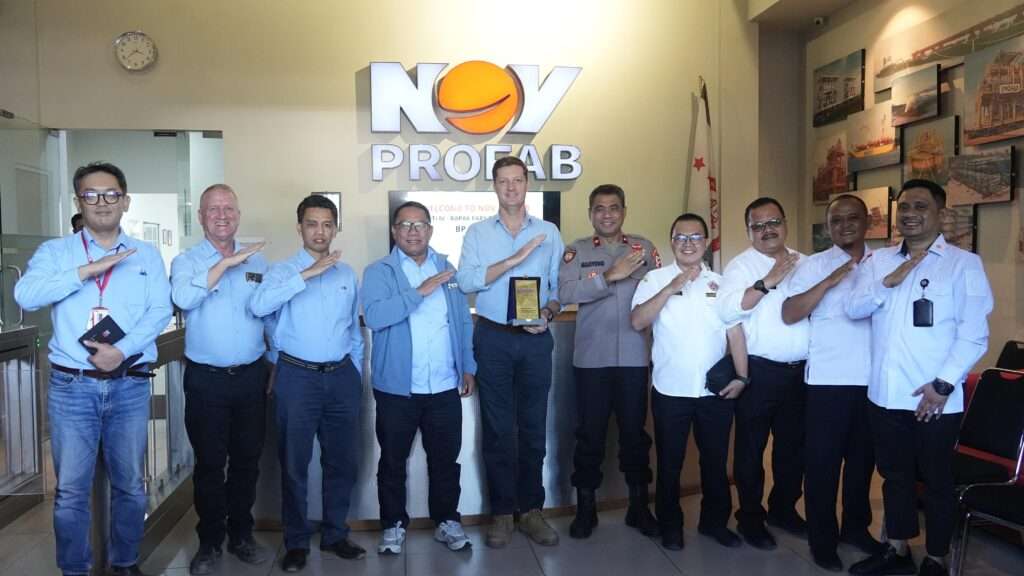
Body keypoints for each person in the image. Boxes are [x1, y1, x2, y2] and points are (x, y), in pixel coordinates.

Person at [15, 162, 172, 576]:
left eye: (111, 194)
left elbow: (159, 310)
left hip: (129, 385)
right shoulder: (56, 253)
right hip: (72, 388)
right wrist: (86, 271)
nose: (102, 202)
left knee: (129, 486)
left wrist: (121, 351)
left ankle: (125, 563)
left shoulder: (146, 255)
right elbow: (26, 295)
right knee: (70, 491)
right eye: (91, 195)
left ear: (125, 201)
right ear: (78, 201)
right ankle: (74, 569)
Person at [846, 180, 993, 576]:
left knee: (936, 481)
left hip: (935, 399)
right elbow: (853, 308)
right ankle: (897, 549)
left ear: (941, 214)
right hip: (885, 394)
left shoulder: (963, 264)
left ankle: (936, 558)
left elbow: (973, 334)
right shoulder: (878, 261)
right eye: (904, 206)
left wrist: (943, 385)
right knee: (894, 476)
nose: (910, 214)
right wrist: (887, 282)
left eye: (921, 206)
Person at [249, 195, 365, 573]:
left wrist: (355, 373)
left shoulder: (346, 274)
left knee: (341, 462)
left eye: (328, 224)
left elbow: (353, 330)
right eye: (312, 224)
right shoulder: (282, 271)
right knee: (294, 464)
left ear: (335, 228)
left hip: (341, 377)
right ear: (299, 227)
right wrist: (306, 275)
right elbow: (259, 307)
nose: (320, 232)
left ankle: (335, 534)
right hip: (297, 377)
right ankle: (296, 542)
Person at [456, 155, 564, 548]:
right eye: (503, 181)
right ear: (495, 186)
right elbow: (466, 280)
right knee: (498, 429)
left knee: (533, 427)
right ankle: (502, 513)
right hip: (493, 338)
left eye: (517, 180)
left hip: (535, 339)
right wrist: (513, 261)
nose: (511, 188)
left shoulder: (549, 232)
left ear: (527, 183)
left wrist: (548, 313)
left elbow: (559, 287)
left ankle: (531, 510)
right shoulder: (478, 233)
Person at [362, 201, 476, 555]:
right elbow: (376, 316)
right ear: (394, 231)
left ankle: (446, 521)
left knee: (445, 461)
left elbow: (462, 321)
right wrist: (420, 291)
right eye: (405, 225)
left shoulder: (448, 269)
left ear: (430, 230)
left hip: (443, 385)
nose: (413, 231)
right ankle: (393, 525)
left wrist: (468, 366)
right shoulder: (378, 271)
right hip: (398, 389)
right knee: (393, 462)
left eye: (420, 224)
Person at [169, 184, 270, 575]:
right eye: (213, 209)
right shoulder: (187, 261)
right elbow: (183, 299)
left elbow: (269, 315)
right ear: (201, 217)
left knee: (247, 461)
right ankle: (210, 541)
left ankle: (241, 535)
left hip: (251, 378)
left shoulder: (259, 261)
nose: (222, 215)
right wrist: (225, 265)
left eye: (229, 208)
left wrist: (275, 363)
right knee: (210, 464)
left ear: (238, 214)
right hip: (206, 381)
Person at [630, 213, 747, 551]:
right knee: (670, 463)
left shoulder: (722, 283)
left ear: (706, 242)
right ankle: (671, 525)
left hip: (714, 391)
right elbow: (637, 321)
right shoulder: (654, 279)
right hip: (671, 390)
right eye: (681, 237)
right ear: (671, 242)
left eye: (695, 237)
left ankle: (714, 523)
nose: (688, 243)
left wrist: (742, 376)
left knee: (715, 461)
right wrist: (671, 287)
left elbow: (735, 332)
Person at [781, 194, 881, 572]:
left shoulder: (883, 262)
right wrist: (830, 281)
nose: (844, 226)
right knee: (822, 466)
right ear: (828, 227)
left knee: (861, 464)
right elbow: (790, 312)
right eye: (836, 221)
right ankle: (822, 539)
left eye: (852, 218)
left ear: (867, 222)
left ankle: (856, 528)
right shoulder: (813, 265)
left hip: (874, 382)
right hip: (827, 382)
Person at [557, 184, 659, 539]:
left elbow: (660, 291)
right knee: (590, 435)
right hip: (592, 360)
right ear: (591, 214)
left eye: (614, 207)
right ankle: (586, 509)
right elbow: (565, 292)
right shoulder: (577, 250)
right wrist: (609, 276)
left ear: (623, 212)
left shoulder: (643, 249)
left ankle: (638, 507)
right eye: (599, 208)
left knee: (635, 435)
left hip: (634, 357)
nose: (607, 214)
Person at [716, 197, 808, 550]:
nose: (768, 230)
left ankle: (783, 509)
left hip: (801, 373)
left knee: (792, 450)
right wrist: (768, 281)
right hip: (759, 371)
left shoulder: (805, 262)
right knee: (751, 450)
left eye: (774, 222)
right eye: (759, 225)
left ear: (785, 223)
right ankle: (750, 517)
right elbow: (728, 311)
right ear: (749, 231)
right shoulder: (741, 266)